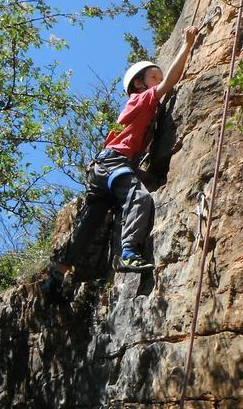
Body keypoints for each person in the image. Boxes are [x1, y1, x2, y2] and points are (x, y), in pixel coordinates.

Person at [54, 25, 200, 277]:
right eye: (153, 77)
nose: (157, 80)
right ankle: (129, 253)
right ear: (138, 83)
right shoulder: (140, 98)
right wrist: (187, 44)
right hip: (113, 163)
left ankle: (59, 270)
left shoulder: (135, 107)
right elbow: (169, 83)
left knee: (93, 220)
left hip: (102, 168)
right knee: (140, 198)